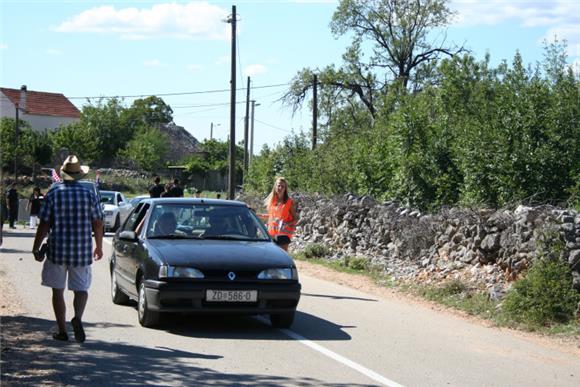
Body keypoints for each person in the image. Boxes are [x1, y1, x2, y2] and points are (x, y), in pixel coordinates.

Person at [32, 155, 104, 343]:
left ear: (63, 174)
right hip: (81, 251)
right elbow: (97, 223)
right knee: (81, 290)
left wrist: (36, 247)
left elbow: (44, 224)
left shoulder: (54, 193)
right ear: (79, 174)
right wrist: (99, 247)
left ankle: (62, 331)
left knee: (58, 291)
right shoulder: (89, 194)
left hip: (57, 250)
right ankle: (77, 318)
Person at [262, 177, 298, 251]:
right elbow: (271, 217)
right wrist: (254, 214)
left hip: (283, 234)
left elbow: (296, 218)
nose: (280, 188)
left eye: (282, 186)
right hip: (271, 234)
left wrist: (287, 224)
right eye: (279, 185)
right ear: (275, 187)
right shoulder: (272, 201)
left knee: (282, 259)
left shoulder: (289, 202)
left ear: (285, 189)